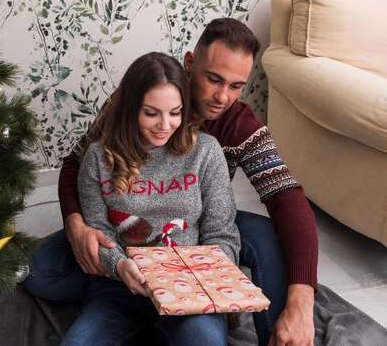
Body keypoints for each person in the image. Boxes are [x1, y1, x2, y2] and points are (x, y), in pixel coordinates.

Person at [24, 18, 319, 346]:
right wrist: (79, 227)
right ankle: (132, 300)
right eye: (213, 79)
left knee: (264, 236)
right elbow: (76, 166)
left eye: (236, 86)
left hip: (194, 232)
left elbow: (286, 198)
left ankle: (275, 334)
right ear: (190, 63)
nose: (223, 96)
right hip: (126, 244)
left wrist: (300, 303)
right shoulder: (136, 101)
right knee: (38, 270)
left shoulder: (234, 132)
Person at [61, 51, 240, 346]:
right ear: (131, 109)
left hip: (190, 290)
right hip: (119, 288)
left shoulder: (206, 152)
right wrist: (119, 266)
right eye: (151, 113)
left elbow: (223, 234)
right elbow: (99, 232)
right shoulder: (97, 157)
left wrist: (206, 276)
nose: (165, 125)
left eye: (175, 112)